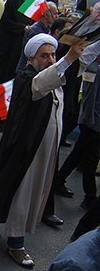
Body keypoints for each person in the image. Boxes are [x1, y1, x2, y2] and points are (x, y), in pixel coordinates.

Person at [0, 35, 89, 268]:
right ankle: (16, 243)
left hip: (43, 150)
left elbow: (78, 63)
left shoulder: (54, 75)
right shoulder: (26, 77)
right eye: (44, 56)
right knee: (23, 191)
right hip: (27, 150)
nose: (50, 60)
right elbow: (40, 85)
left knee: (8, 186)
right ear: (31, 57)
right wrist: (69, 57)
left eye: (53, 55)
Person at [54, 44, 100, 211]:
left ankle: (59, 179)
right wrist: (88, 121)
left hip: (93, 122)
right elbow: (90, 97)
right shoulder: (94, 69)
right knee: (90, 159)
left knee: (79, 152)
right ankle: (90, 196)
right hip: (94, 123)